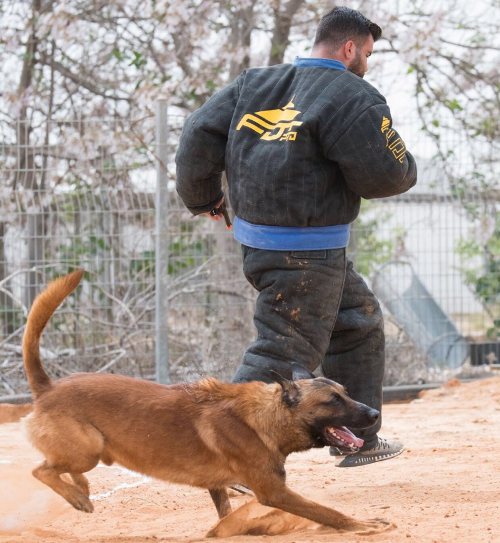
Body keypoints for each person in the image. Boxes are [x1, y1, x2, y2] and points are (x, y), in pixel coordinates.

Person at [175, 6, 417, 467]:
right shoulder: (352, 96)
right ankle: (230, 457)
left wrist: (204, 198)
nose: (366, 62)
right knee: (281, 353)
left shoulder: (254, 83)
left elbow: (195, 132)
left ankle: (360, 438)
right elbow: (385, 176)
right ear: (349, 48)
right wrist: (406, 168)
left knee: (358, 322)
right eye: (366, 53)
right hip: (307, 253)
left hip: (266, 245)